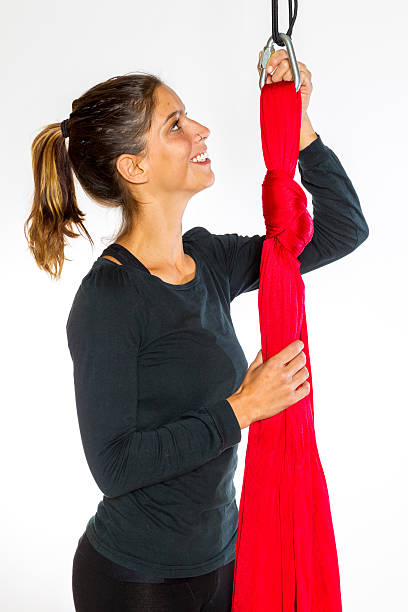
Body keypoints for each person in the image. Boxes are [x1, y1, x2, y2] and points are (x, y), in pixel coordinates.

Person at [24, 61, 369, 611]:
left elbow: (343, 230)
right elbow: (114, 466)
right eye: (176, 124)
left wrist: (299, 128)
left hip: (226, 561)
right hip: (137, 583)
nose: (201, 130)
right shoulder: (109, 300)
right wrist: (241, 409)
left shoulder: (209, 259)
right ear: (134, 166)